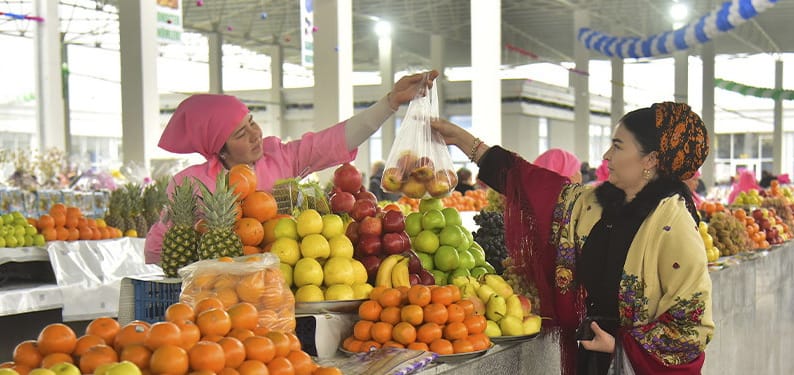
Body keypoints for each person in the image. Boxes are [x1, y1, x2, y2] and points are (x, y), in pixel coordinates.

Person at [431, 102, 714, 375]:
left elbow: (691, 326)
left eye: (617, 146)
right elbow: (532, 183)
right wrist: (462, 140)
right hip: (592, 357)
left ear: (650, 160)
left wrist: (620, 348)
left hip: (632, 363)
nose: (606, 156)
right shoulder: (597, 206)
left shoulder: (674, 224)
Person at [144, 70, 440, 264]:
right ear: (217, 148)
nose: (255, 135)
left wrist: (389, 103)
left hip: (290, 276)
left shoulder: (280, 158)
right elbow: (159, 249)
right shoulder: (191, 183)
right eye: (240, 134)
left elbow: (332, 141)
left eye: (252, 123)